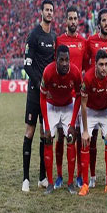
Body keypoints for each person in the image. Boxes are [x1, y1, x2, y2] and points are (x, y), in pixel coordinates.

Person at [22, 0, 56, 193]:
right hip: (35, 93)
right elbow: (27, 64)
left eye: (52, 10)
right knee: (30, 132)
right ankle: (26, 178)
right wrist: (39, 83)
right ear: (41, 12)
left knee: (46, 134)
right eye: (47, 10)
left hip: (48, 95)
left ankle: (42, 177)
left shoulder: (53, 37)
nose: (49, 13)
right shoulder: (33, 35)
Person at [84, 8, 107, 188]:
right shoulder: (90, 41)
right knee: (90, 141)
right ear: (99, 24)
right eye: (103, 20)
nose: (106, 23)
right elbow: (85, 64)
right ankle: (91, 176)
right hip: (91, 99)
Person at [39, 45, 82, 195]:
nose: (64, 63)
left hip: (68, 106)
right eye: (61, 60)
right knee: (48, 139)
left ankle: (70, 183)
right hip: (51, 107)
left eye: (67, 60)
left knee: (71, 139)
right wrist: (46, 125)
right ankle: (50, 183)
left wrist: (72, 123)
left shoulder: (75, 72)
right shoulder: (48, 72)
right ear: (56, 60)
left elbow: (78, 96)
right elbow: (42, 97)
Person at [55, 6, 87, 189]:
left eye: (76, 18)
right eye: (70, 18)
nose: (73, 21)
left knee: (77, 137)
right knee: (61, 137)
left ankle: (79, 176)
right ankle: (60, 175)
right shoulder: (59, 40)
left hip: (78, 97)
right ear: (66, 21)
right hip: (62, 97)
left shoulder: (84, 42)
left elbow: (89, 64)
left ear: (78, 20)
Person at [79, 49, 107, 196]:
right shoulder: (88, 78)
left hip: (106, 111)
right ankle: (84, 184)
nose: (104, 68)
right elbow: (83, 105)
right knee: (85, 142)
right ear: (95, 65)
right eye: (101, 64)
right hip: (90, 111)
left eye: (106, 64)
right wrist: (84, 130)